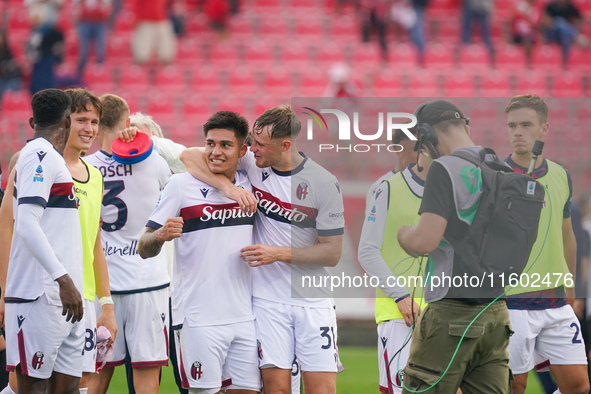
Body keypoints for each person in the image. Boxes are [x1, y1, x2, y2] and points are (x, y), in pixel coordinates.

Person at [180, 105, 345, 393]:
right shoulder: (253, 164)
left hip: (313, 302)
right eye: (251, 141)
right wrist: (230, 189)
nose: (250, 148)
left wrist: (278, 253)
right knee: (276, 389)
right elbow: (189, 156)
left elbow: (331, 253)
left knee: (322, 390)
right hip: (267, 302)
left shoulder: (323, 183)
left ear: (285, 145)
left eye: (259, 144)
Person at [139, 110, 260, 393]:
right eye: (210, 143)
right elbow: (143, 246)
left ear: (243, 150)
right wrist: (160, 235)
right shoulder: (181, 185)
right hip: (197, 319)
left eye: (225, 145)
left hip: (245, 317)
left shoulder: (250, 182)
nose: (215, 152)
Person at [397, 100, 513, 393]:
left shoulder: (444, 168)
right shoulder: (500, 167)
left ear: (427, 135)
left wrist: (404, 234)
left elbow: (425, 242)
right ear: (466, 125)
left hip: (452, 312)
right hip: (496, 312)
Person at [84, 94, 172, 394]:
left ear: (96, 128)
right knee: (146, 379)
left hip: (103, 286)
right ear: (127, 123)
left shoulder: (83, 167)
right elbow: (185, 172)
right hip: (148, 283)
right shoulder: (154, 161)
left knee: (94, 378)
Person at [503, 94, 589, 394]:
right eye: (512, 125)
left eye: (526, 124)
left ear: (544, 129)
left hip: (555, 299)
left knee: (578, 385)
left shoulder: (561, 175)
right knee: (516, 385)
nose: (518, 132)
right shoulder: (495, 177)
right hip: (512, 300)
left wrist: (572, 284)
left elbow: (568, 235)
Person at [4, 88, 84, 393]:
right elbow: (26, 224)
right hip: (38, 295)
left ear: (31, 120)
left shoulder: (51, 158)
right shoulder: (38, 156)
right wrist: (63, 279)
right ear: (67, 121)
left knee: (68, 389)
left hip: (65, 299)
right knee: (34, 388)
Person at [358, 131, 431, 394]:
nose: (424, 153)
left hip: (437, 307)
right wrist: (399, 295)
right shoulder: (382, 187)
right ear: (399, 148)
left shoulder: (440, 187)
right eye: (418, 148)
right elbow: (369, 250)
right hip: (399, 311)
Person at [63, 88, 118, 394]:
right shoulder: (39, 165)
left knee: (81, 382)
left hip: (83, 298)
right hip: (45, 294)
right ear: (63, 121)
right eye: (81, 119)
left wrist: (106, 305)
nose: (89, 128)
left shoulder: (94, 175)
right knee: (27, 384)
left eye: (94, 121)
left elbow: (94, 242)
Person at [365, 129, 421, 215]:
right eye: (417, 150)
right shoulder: (379, 188)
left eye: (424, 150)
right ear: (400, 150)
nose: (422, 155)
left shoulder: (431, 185)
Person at [541, 0, 586, 65]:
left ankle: (564, 64)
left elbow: (580, 18)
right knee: (559, 21)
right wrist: (554, 23)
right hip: (551, 34)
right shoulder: (551, 6)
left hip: (563, 35)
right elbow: (545, 21)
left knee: (565, 35)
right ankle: (576, 36)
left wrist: (576, 26)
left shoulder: (570, 6)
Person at [74, 0, 111, 77]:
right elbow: (76, 6)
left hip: (99, 21)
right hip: (85, 21)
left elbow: (107, 6)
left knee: (100, 47)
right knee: (84, 49)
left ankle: (100, 69)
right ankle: (81, 72)